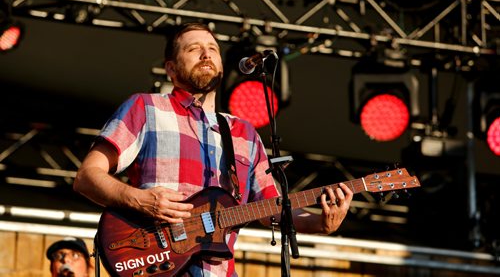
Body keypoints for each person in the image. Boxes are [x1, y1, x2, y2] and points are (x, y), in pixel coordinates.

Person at [73, 22, 353, 276]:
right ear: (170, 68)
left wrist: (321, 224)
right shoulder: (146, 108)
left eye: (213, 49)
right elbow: (87, 177)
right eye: (194, 49)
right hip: (157, 265)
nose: (206, 55)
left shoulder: (244, 133)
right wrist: (140, 199)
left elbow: (272, 208)